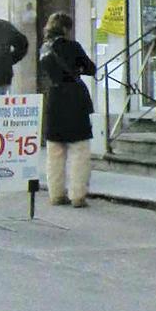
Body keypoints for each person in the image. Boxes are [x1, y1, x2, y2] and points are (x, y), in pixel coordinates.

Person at [39, 12, 97, 207]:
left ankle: (56, 194)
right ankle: (77, 195)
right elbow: (90, 68)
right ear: (66, 28)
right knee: (79, 149)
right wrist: (78, 69)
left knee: (55, 150)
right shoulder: (73, 47)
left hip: (55, 99)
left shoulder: (44, 49)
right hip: (74, 99)